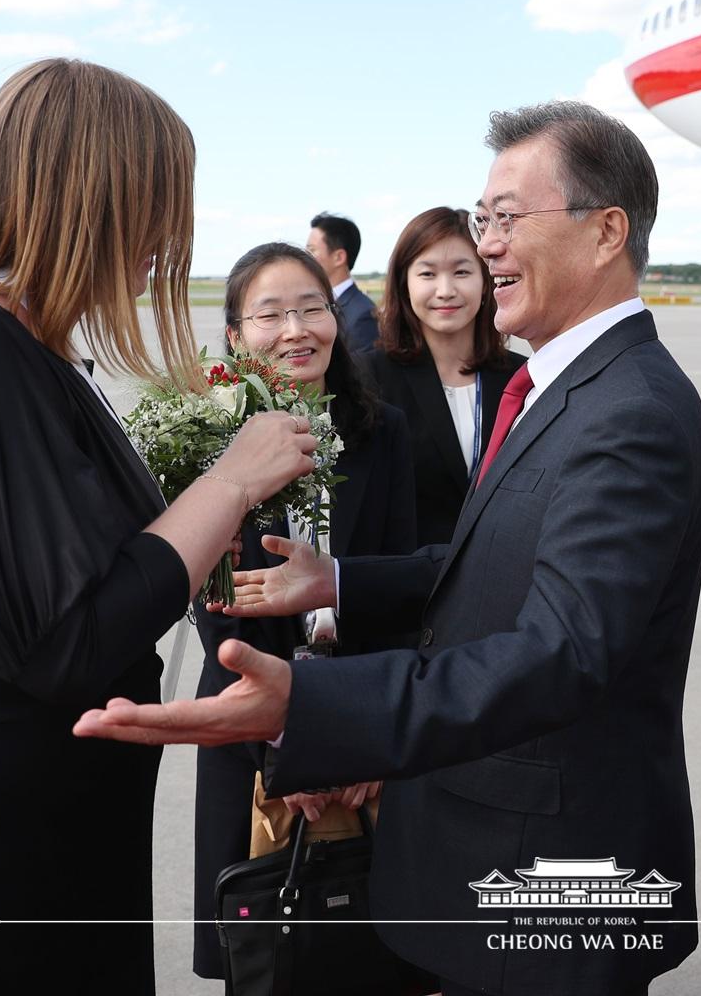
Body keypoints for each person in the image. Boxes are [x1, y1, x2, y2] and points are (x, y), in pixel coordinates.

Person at [78, 100, 701, 996]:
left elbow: (563, 650)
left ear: (606, 231)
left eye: (505, 219)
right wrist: (337, 580)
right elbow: (479, 573)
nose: (486, 244)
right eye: (481, 217)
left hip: (548, 861)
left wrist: (315, 706)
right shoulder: (562, 388)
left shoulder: (629, 411)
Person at [0, 59, 316, 996]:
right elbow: (64, 638)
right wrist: (233, 481)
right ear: (99, 199)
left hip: (18, 824)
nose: (163, 245)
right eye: (157, 209)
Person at [191, 241, 417, 981]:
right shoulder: (207, 446)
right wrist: (290, 743)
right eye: (270, 314)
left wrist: (366, 739)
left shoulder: (384, 434)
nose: (296, 329)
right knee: (265, 954)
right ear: (235, 336)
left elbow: (402, 590)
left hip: (368, 730)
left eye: (311, 308)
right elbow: (218, 610)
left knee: (374, 950)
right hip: (248, 724)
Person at [368, 206, 527, 547]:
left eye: (461, 272)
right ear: (403, 284)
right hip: (402, 588)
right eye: (427, 274)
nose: (445, 290)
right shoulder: (368, 379)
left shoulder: (524, 378)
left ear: (487, 281)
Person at [309, 211, 379, 351]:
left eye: (312, 250)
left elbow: (362, 371)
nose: (306, 257)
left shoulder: (362, 315)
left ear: (339, 257)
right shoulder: (313, 304)